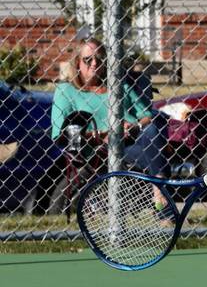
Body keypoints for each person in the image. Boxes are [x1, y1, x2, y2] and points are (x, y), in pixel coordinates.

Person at [51, 37, 169, 182]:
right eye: (88, 59)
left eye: (100, 59)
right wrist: (106, 134)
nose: (95, 64)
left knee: (151, 130)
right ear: (77, 63)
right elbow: (61, 134)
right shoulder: (66, 90)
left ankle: (158, 185)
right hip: (100, 151)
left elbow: (147, 115)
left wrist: (133, 126)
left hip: (130, 143)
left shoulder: (117, 85)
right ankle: (160, 184)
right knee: (158, 158)